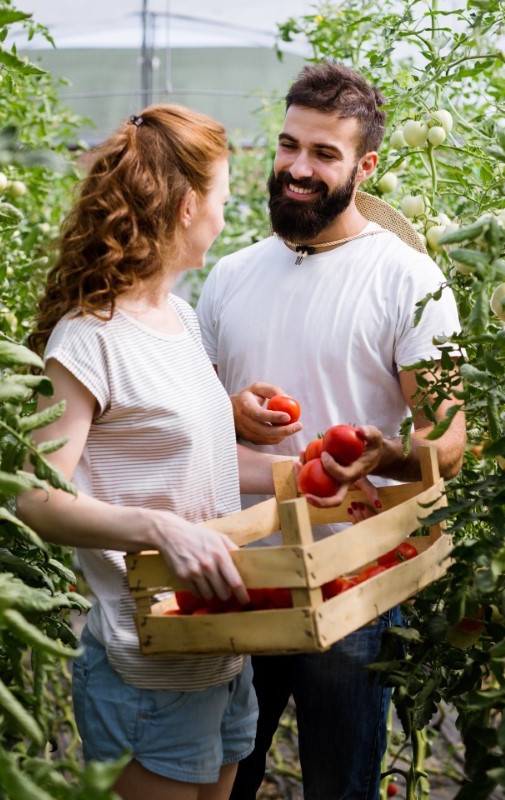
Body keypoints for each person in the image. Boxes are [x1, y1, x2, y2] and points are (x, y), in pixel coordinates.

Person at [195, 62, 468, 800]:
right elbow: (194, 417)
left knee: (339, 786)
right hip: (241, 573)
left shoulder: (409, 280)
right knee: (221, 780)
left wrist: (386, 452)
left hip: (354, 580)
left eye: (323, 154)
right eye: (289, 147)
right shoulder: (230, 276)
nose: (297, 169)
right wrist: (229, 412)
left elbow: (449, 444)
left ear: (365, 165)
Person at [17, 104, 294, 800]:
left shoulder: (181, 319)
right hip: (144, 666)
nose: (227, 220)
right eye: (224, 203)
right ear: (187, 206)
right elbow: (34, 499)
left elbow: (210, 465)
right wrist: (156, 528)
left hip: (221, 655)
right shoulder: (88, 340)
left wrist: (309, 473)